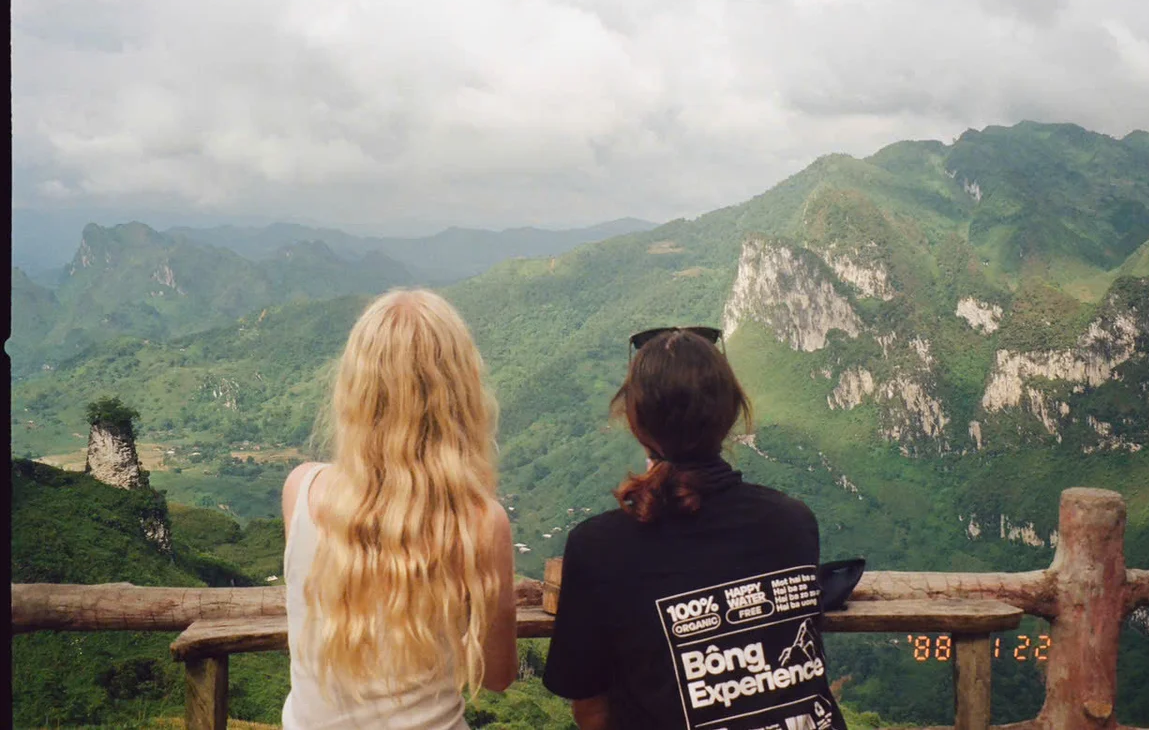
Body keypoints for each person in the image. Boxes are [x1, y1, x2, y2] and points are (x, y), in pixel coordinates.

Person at [543, 327, 847, 730]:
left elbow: (590, 708)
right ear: (731, 413)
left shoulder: (599, 547)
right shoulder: (793, 522)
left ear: (636, 422)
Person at [280, 289, 518, 729]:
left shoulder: (301, 490)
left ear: (357, 389)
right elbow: (500, 676)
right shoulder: (481, 523)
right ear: (458, 393)